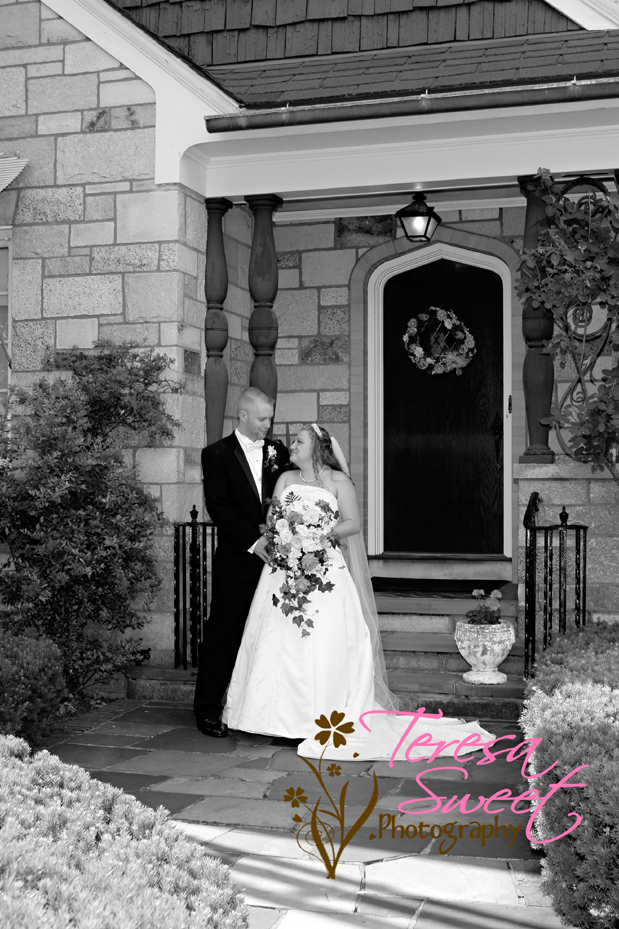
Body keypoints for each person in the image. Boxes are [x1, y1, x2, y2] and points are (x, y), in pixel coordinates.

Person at [223, 423, 495, 761]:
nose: (291, 446)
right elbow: (272, 519)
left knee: (322, 638)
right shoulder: (285, 479)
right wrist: (289, 540)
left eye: (299, 442)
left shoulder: (339, 482)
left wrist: (320, 536)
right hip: (284, 569)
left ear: (317, 448)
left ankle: (318, 716)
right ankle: (271, 717)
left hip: (325, 567)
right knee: (277, 636)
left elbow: (353, 522)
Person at [193, 387, 290, 738]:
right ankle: (206, 709)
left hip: (277, 562)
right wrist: (254, 541)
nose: (267, 425)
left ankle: (266, 711)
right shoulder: (215, 454)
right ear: (244, 415)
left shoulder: (278, 452)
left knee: (271, 636)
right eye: (263, 418)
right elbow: (218, 506)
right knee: (224, 634)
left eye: (270, 418)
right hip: (238, 560)